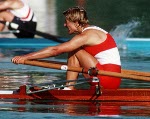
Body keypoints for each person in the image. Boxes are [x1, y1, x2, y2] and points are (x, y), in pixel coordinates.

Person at [11, 6, 121, 90]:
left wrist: (25, 57)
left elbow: (55, 50)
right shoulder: (93, 31)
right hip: (111, 79)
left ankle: (69, 89)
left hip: (106, 78)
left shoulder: (86, 36)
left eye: (66, 22)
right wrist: (29, 59)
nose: (64, 25)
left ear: (77, 23)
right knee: (72, 49)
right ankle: (69, 88)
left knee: (73, 49)